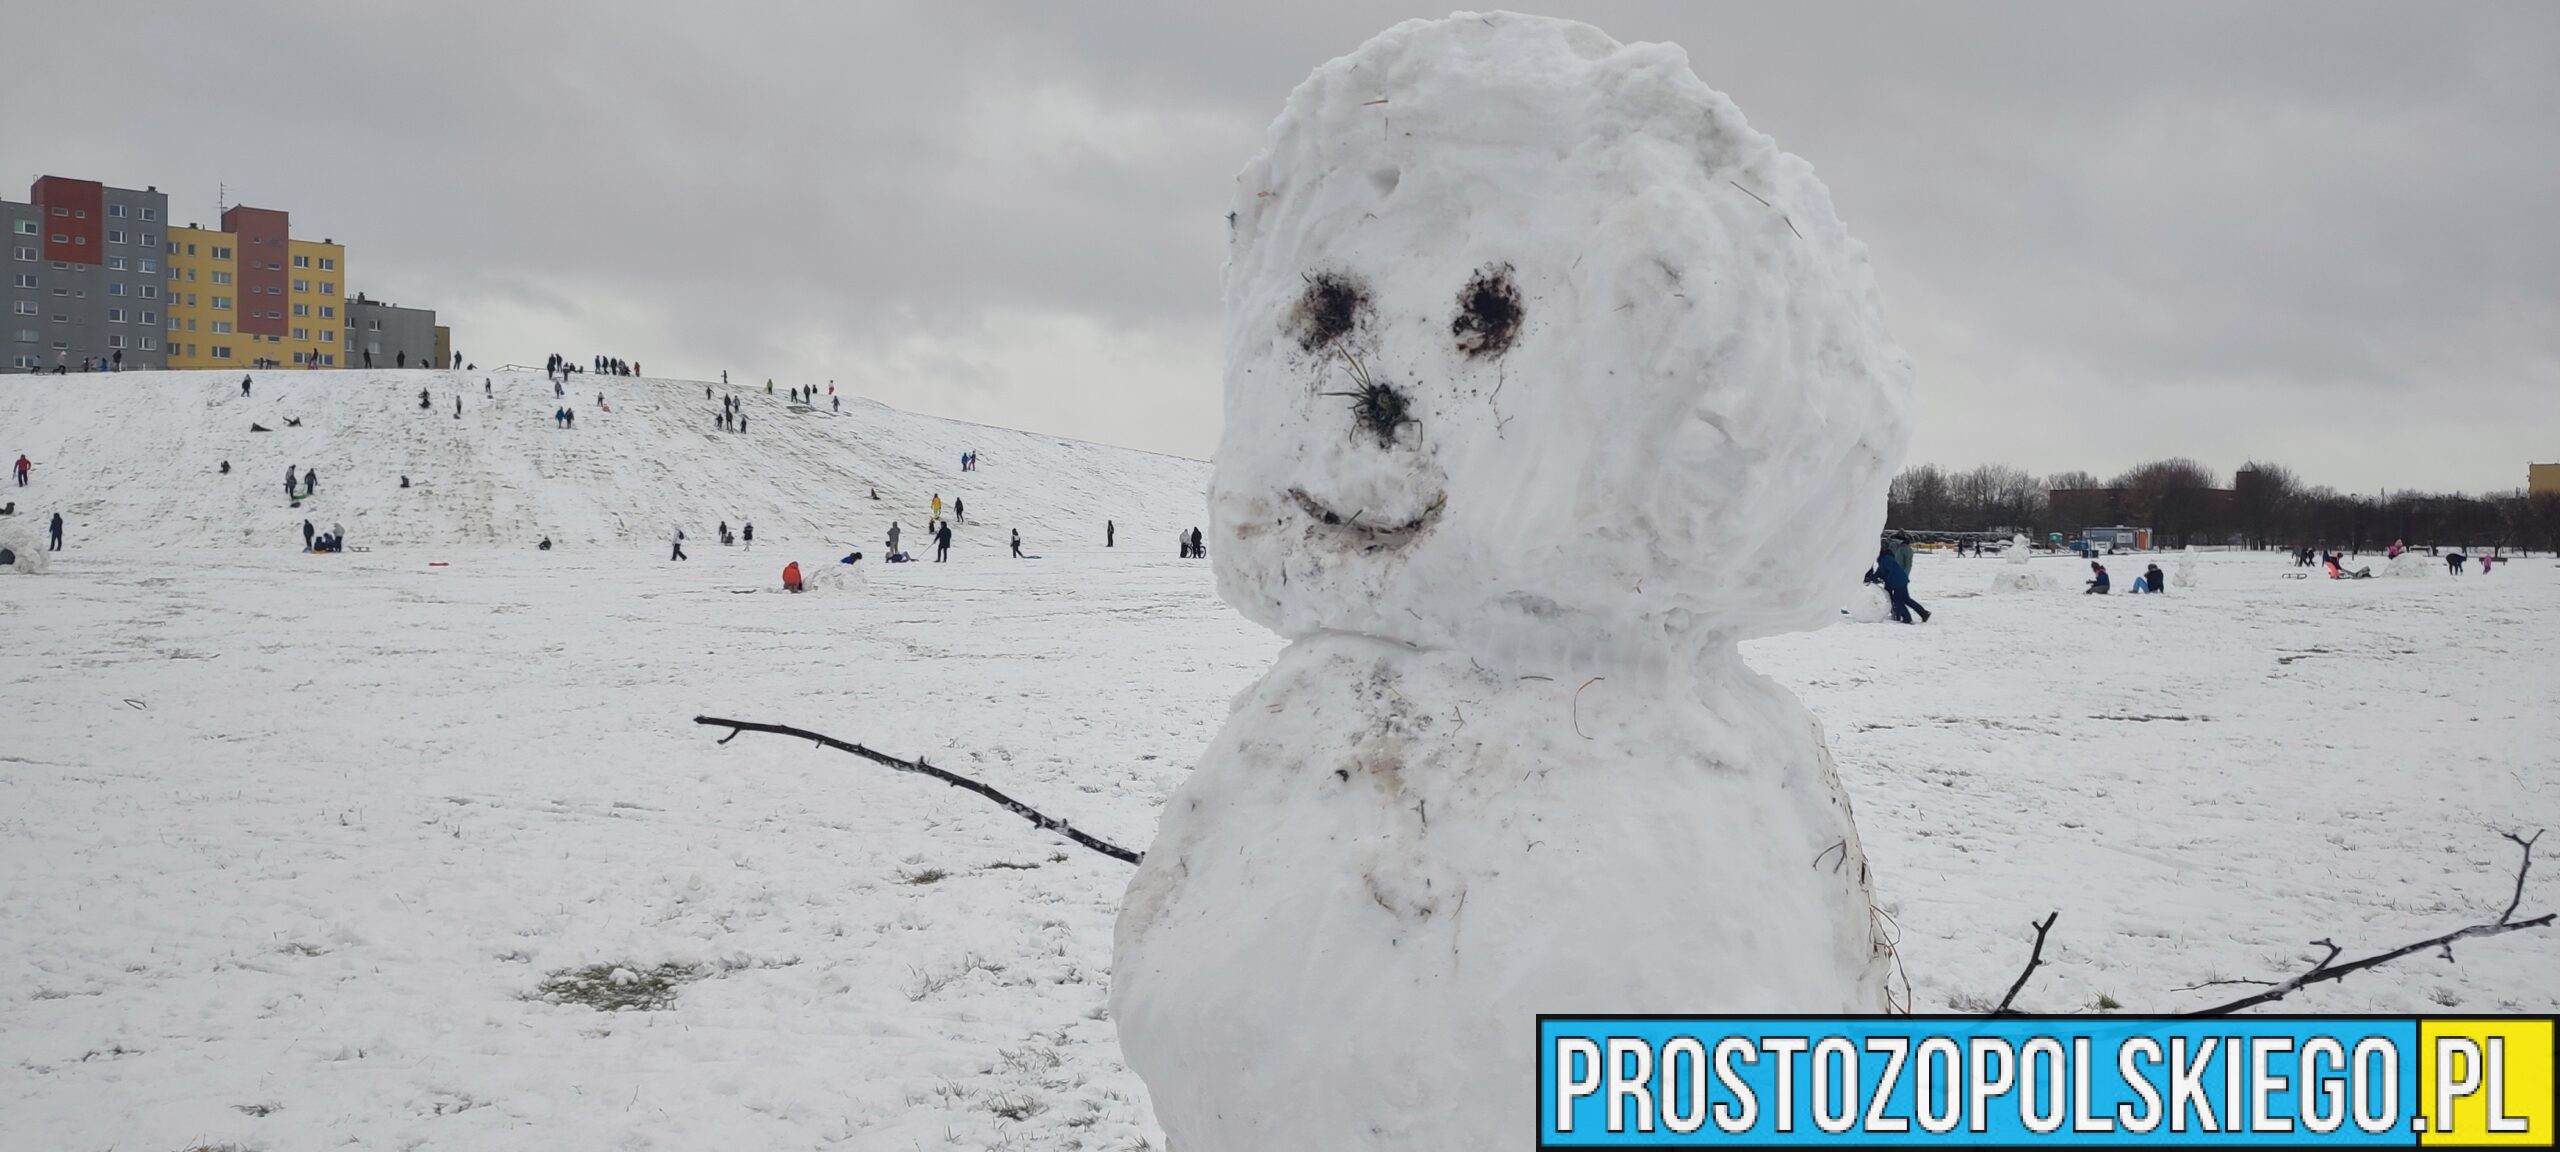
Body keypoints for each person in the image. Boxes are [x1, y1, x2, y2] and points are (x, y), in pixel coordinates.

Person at [1874, 543, 1927, 623]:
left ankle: (1907, 618)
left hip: (1898, 582)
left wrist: (1875, 578)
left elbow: (1883, 571)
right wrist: (1874, 577)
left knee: (1897, 600)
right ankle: (1924, 613)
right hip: (1901, 580)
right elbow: (1881, 571)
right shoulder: (1885, 558)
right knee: (1906, 599)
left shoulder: (1885, 559)